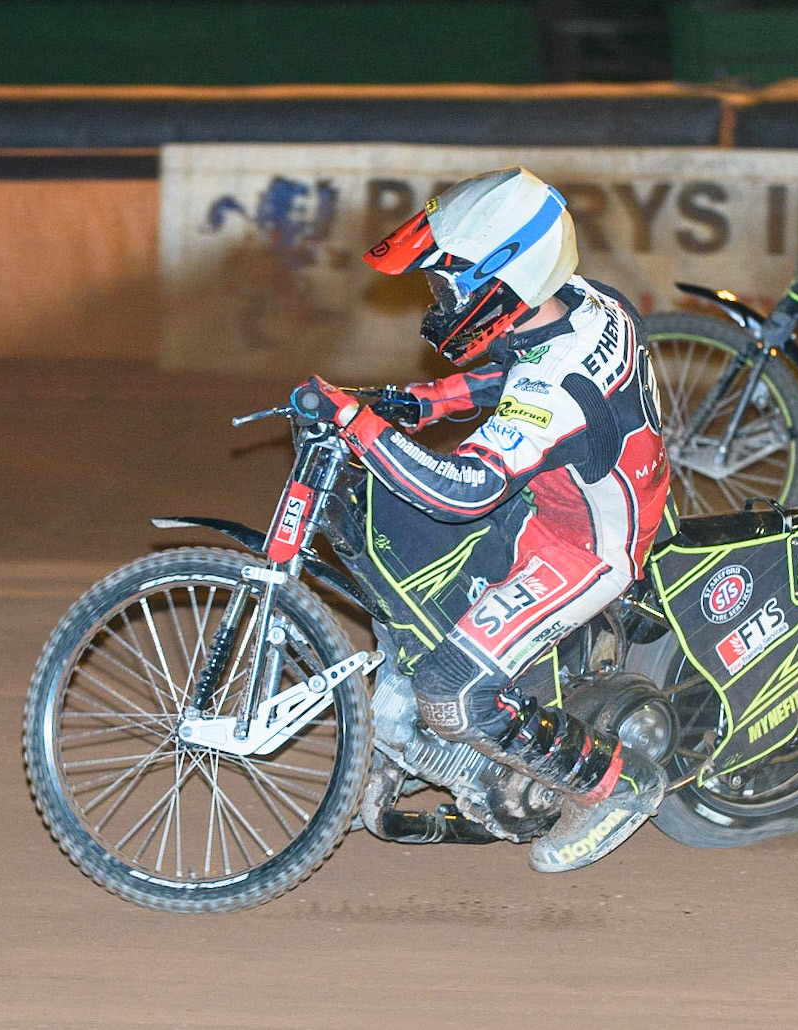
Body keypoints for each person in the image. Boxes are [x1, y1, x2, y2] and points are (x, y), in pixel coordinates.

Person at [289, 167, 672, 873]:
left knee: (452, 691)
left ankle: (617, 787)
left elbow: (464, 492)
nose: (439, 303)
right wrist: (425, 401)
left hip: (585, 545)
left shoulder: (557, 387)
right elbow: (509, 370)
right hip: (555, 497)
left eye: (449, 288)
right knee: (405, 583)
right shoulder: (580, 301)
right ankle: (421, 749)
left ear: (505, 278)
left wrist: (360, 424)